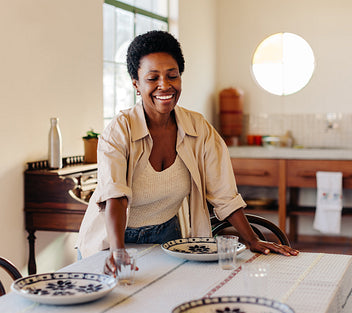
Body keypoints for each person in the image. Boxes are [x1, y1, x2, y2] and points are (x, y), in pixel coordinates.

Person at [76, 30, 298, 275]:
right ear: (136, 84)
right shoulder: (119, 129)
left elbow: (224, 195)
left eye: (172, 76)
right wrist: (118, 251)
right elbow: (115, 196)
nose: (165, 85)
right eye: (152, 78)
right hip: (112, 240)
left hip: (167, 239)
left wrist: (252, 240)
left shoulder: (199, 129)